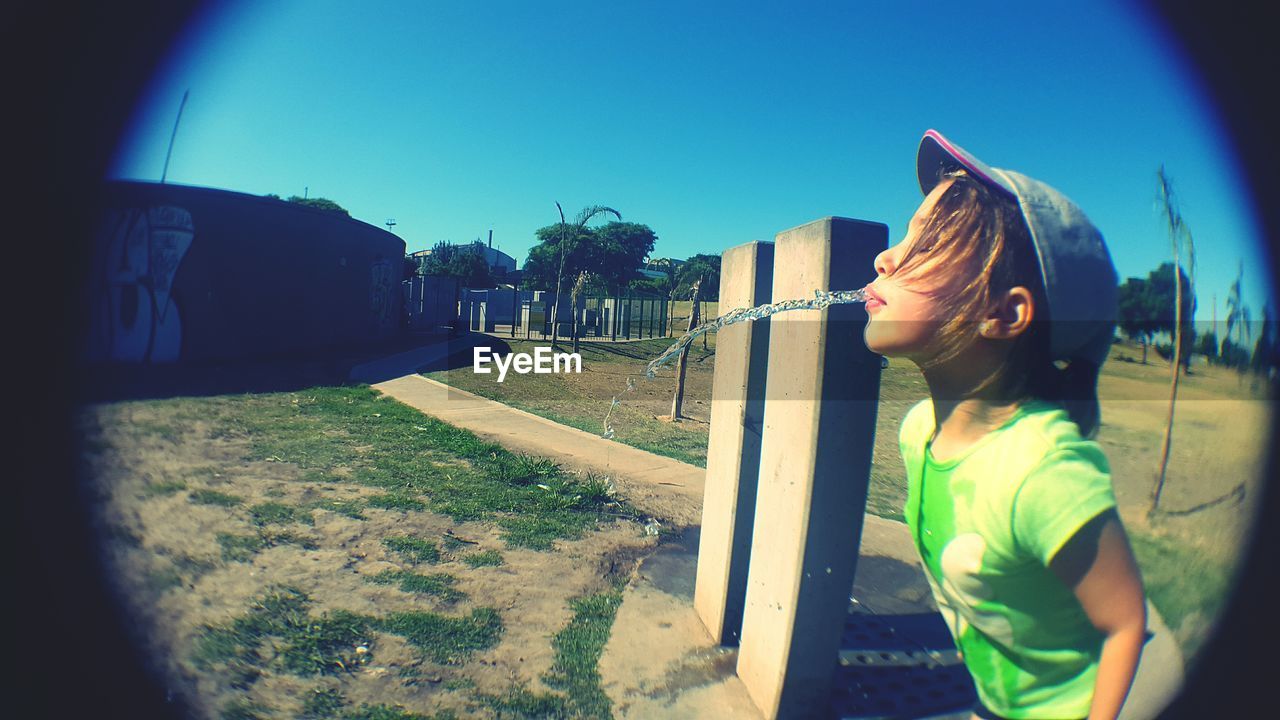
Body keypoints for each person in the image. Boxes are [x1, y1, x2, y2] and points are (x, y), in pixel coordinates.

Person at [863, 130, 1148, 720]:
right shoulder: (919, 431)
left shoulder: (1045, 473)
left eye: (924, 245)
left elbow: (1124, 623)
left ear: (1002, 313)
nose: (885, 257)